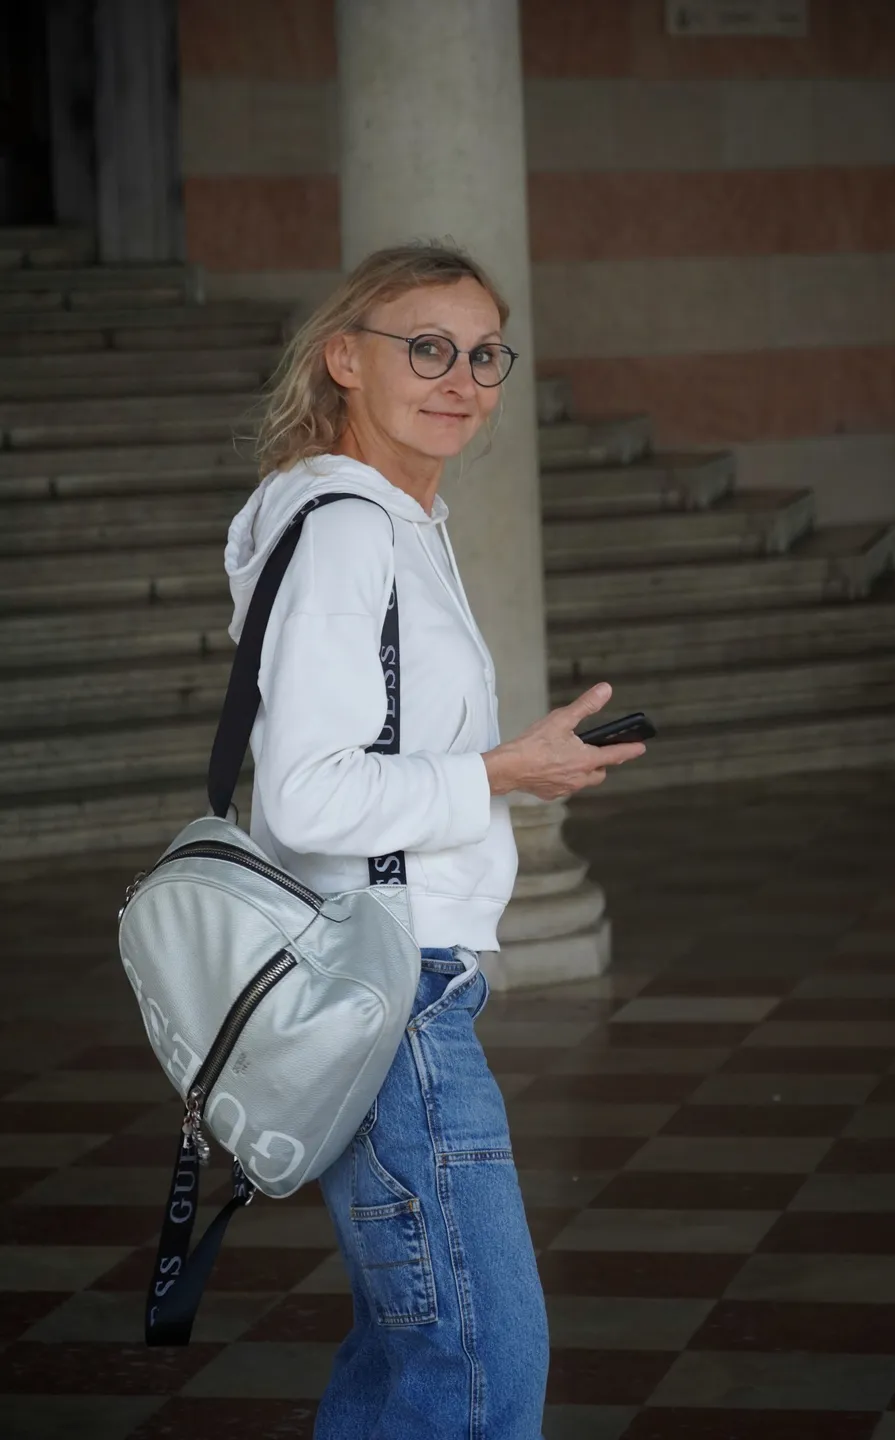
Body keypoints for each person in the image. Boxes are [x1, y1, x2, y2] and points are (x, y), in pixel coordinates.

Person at [224, 243, 646, 1440]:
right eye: (426, 348)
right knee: (481, 1368)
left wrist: (507, 764)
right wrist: (508, 771)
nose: (461, 379)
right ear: (344, 360)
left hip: (392, 970)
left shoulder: (392, 520)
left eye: (484, 355)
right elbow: (307, 796)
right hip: (390, 986)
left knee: (410, 1354)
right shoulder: (349, 532)